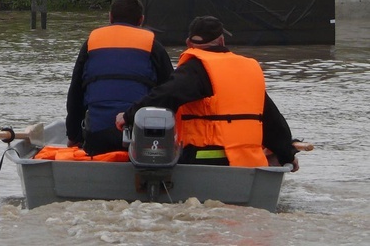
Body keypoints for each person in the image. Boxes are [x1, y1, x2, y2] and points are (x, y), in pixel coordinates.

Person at [115, 15, 300, 171]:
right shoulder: (250, 68)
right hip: (247, 163)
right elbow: (272, 121)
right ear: (221, 40)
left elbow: (164, 95)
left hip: (205, 161)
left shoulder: (196, 68)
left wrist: (129, 115)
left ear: (189, 43)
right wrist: (287, 155)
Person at [66, 0, 174, 156]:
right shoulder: (153, 46)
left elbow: (75, 94)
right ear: (141, 20)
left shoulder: (91, 43)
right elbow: (169, 93)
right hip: (141, 137)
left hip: (97, 136)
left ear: (110, 17)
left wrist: (73, 136)